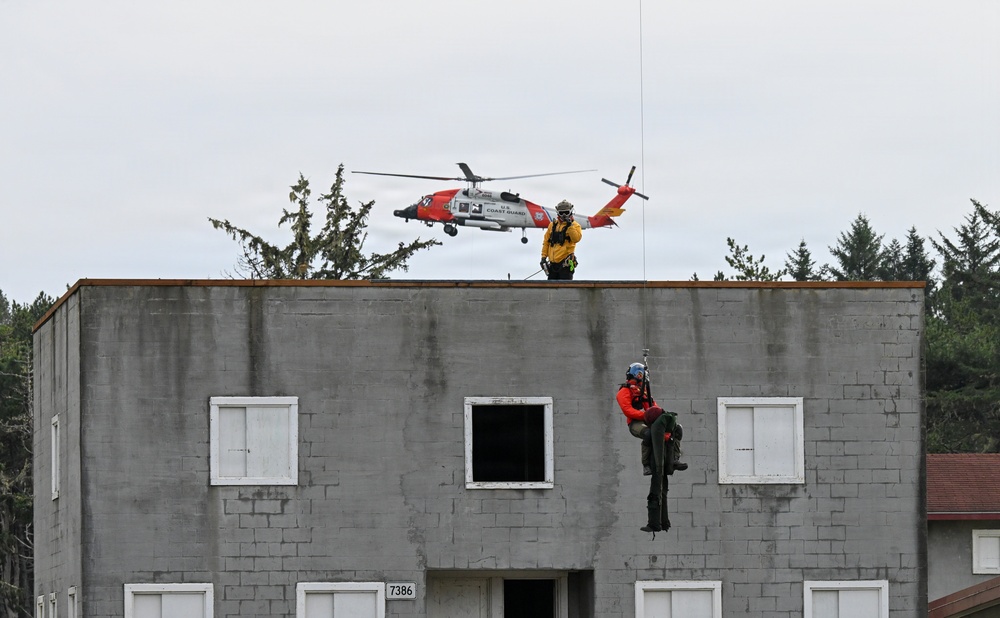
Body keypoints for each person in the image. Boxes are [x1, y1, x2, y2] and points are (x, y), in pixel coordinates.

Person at [616, 362, 687, 477]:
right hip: (635, 423)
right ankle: (646, 464)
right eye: (638, 374)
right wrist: (645, 416)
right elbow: (627, 410)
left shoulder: (642, 391)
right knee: (648, 434)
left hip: (649, 420)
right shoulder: (624, 392)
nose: (639, 377)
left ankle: (674, 458)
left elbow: (652, 406)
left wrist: (659, 414)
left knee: (677, 428)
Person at [540, 200, 582, 280]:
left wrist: (570, 225)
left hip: (565, 265)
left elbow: (576, 238)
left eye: (566, 212)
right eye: (561, 213)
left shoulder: (575, 226)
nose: (563, 215)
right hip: (552, 265)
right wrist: (543, 257)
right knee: (551, 289)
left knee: (565, 290)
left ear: (570, 212)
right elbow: (546, 242)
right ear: (557, 213)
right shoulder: (552, 225)